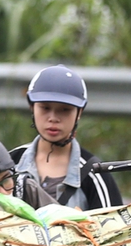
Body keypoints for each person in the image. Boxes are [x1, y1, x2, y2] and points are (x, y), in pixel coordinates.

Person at [11, 65, 123, 211]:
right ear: (32, 107)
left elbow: (114, 230)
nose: (53, 118)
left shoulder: (95, 174)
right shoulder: (11, 163)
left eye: (65, 110)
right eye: (45, 108)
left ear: (79, 112)